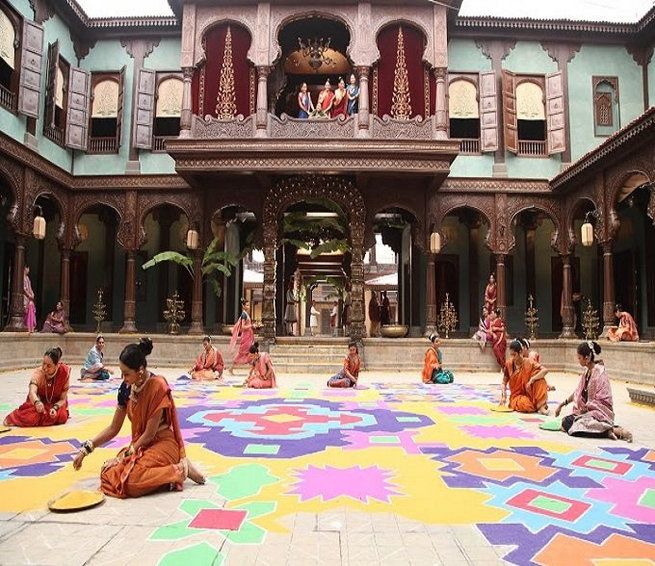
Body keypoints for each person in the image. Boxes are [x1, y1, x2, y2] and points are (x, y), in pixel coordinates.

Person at [72, 338, 205, 498]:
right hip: (141, 446)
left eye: (127, 373)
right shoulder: (126, 389)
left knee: (130, 481)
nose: (123, 377)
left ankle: (179, 471)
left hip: (162, 443)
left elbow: (149, 433)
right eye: (121, 372)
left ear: (140, 370)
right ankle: (166, 475)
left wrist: (131, 451)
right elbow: (114, 428)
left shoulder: (157, 386)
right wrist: (87, 449)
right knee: (108, 472)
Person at [555, 341, 632, 441]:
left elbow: (603, 399)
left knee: (575, 426)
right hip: (588, 412)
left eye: (579, 358)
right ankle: (606, 431)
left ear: (586, 358)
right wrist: (562, 404)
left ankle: (614, 431)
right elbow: (578, 392)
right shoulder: (587, 372)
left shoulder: (599, 373)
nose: (578, 360)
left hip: (599, 413)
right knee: (566, 421)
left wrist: (587, 407)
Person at [4, 347, 70, 427]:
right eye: (43, 364)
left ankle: (46, 416)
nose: (44, 368)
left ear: (56, 366)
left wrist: (55, 408)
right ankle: (13, 417)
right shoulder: (39, 373)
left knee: (62, 417)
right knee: (30, 417)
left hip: (55, 403)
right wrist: (37, 402)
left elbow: (63, 399)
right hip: (38, 402)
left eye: (49, 366)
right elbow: (32, 392)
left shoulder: (64, 372)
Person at [501, 339, 549, 414]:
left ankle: (541, 406)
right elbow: (504, 382)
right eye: (511, 355)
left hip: (530, 391)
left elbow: (545, 370)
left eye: (514, 355)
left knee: (540, 379)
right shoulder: (509, 364)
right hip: (517, 395)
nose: (512, 357)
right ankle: (536, 405)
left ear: (520, 352)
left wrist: (532, 379)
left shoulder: (529, 362)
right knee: (526, 405)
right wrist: (503, 396)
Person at [229, 298, 255, 374]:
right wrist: (251, 326)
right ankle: (231, 368)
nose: (248, 306)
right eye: (247, 305)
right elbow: (242, 327)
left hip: (249, 335)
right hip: (246, 336)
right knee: (243, 353)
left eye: (248, 305)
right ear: (243, 306)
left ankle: (253, 369)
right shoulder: (243, 314)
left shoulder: (246, 314)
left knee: (250, 352)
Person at [23, 265, 36, 333]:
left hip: (29, 297)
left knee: (31, 306)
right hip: (24, 297)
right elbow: (24, 289)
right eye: (28, 268)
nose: (29, 270)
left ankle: (31, 327)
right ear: (25, 268)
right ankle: (27, 326)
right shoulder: (22, 277)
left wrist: (32, 294)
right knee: (28, 308)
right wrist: (29, 295)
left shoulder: (27, 278)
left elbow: (30, 287)